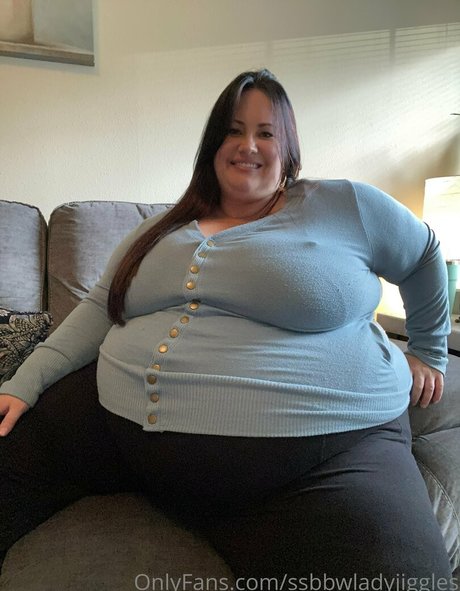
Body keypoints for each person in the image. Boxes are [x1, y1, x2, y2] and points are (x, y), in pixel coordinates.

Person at [0, 69, 454, 585]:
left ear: (288, 147)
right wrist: (24, 381)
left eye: (266, 132)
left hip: (328, 452)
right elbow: (100, 307)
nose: (248, 146)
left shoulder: (343, 205)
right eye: (233, 131)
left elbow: (424, 254)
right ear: (212, 145)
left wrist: (428, 350)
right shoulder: (161, 229)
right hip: (121, 427)